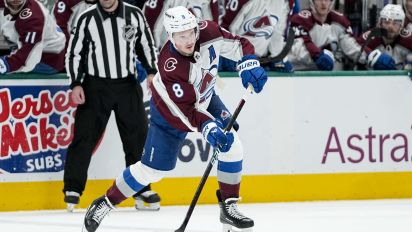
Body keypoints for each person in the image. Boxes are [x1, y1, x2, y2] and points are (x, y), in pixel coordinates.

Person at [82, 5, 267, 232]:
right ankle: (105, 202)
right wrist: (209, 128)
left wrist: (249, 63)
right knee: (152, 172)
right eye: (181, 36)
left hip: (205, 98)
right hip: (171, 114)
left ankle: (228, 208)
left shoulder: (209, 31)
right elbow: (188, 113)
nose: (188, 39)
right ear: (170, 36)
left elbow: (239, 43)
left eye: (190, 32)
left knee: (233, 144)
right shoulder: (171, 65)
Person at [64, 0, 160, 212]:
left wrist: (152, 71)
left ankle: (141, 188)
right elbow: (74, 52)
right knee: (84, 136)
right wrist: (76, 83)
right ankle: (73, 188)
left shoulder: (134, 14)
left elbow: (146, 44)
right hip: (94, 86)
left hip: (127, 84)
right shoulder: (86, 17)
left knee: (137, 137)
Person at [288, 0, 395, 71]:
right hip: (297, 74)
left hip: (323, 77)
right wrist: (317, 56)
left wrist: (372, 57)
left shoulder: (338, 21)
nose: (324, 4)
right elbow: (300, 47)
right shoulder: (300, 19)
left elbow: (352, 46)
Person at [219, 0, 300, 72]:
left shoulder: (286, 2)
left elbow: (278, 32)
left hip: (258, 60)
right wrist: (230, 56)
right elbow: (227, 29)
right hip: (232, 56)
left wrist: (277, 58)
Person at [0, 0, 66, 74]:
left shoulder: (35, 18)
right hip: (26, 47)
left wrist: (5, 64)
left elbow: (28, 60)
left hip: (47, 60)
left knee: (7, 68)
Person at [143, 0, 219, 50]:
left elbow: (212, 31)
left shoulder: (209, 2)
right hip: (163, 52)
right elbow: (151, 29)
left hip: (192, 53)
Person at [358, 4, 411, 70]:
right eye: (386, 22)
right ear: (380, 24)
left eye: (395, 23)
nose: (390, 27)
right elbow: (355, 47)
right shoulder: (371, 37)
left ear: (401, 26)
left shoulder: (408, 39)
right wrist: (370, 55)